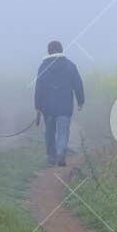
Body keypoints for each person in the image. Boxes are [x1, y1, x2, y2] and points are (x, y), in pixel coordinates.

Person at [33, 39, 84, 167]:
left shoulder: (43, 67)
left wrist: (38, 106)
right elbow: (78, 84)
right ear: (61, 50)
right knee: (63, 132)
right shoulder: (70, 66)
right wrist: (80, 101)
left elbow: (38, 88)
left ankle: (51, 156)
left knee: (49, 132)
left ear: (48, 51)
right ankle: (61, 154)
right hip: (64, 106)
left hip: (47, 107)